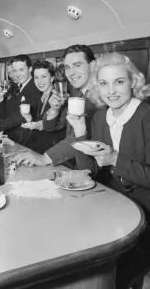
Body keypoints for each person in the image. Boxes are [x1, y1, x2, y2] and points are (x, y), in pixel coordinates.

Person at [68, 52, 150, 288]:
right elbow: (89, 171)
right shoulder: (100, 117)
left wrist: (116, 158)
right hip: (112, 208)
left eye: (119, 82)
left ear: (133, 83)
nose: (111, 91)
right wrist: (81, 131)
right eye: (104, 83)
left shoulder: (146, 116)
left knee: (110, 277)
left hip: (144, 217)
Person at [16, 45, 103, 167]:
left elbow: (79, 135)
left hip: (94, 167)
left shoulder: (100, 96)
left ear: (92, 65)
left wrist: (45, 158)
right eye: (67, 67)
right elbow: (50, 126)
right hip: (73, 161)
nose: (71, 73)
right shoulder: (75, 92)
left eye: (77, 65)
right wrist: (55, 109)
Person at [0, 54, 42, 146]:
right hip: (14, 138)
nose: (17, 74)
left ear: (30, 69)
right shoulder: (16, 87)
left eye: (21, 70)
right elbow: (4, 114)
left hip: (28, 141)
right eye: (14, 71)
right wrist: (0, 97)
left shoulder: (35, 87)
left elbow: (19, 116)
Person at [19, 60, 66, 153]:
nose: (39, 81)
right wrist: (29, 118)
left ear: (52, 78)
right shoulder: (39, 96)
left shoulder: (59, 97)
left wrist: (44, 125)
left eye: (44, 77)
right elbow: (37, 125)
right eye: (36, 77)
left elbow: (61, 125)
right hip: (39, 147)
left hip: (53, 150)